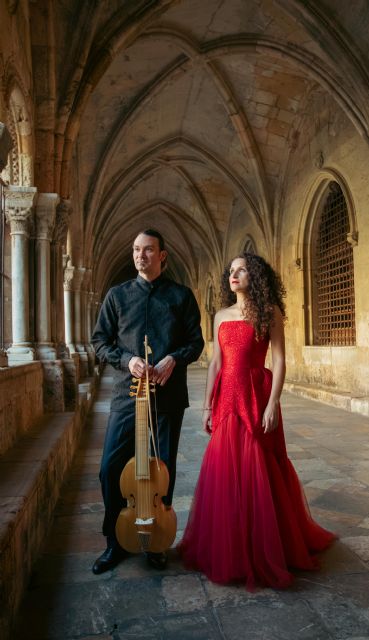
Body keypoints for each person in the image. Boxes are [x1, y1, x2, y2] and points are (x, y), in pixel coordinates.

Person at [179, 252, 335, 589]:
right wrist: (207, 406)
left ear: (257, 276)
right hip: (226, 398)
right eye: (231, 270)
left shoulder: (268, 312)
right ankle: (231, 547)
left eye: (242, 269)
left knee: (259, 469)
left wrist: (273, 403)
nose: (234, 274)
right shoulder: (220, 316)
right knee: (225, 473)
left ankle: (264, 548)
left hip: (255, 394)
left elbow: (279, 360)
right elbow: (216, 363)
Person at [91, 229, 204, 574]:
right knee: (110, 468)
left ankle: (157, 541)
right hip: (128, 395)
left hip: (167, 398)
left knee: (162, 471)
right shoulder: (116, 295)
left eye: (149, 250)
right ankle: (115, 541)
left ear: (162, 256)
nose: (141, 255)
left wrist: (173, 359)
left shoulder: (181, 296)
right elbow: (99, 342)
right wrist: (128, 360)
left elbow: (196, 342)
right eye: (137, 249)